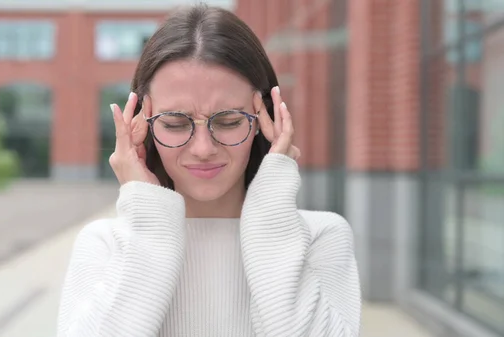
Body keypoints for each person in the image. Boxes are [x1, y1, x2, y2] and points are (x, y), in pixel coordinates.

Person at [57, 4, 361, 337]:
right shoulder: (106, 244)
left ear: (265, 120)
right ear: (141, 124)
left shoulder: (320, 237)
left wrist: (272, 206)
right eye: (174, 123)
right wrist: (148, 222)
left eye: (229, 121)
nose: (203, 149)